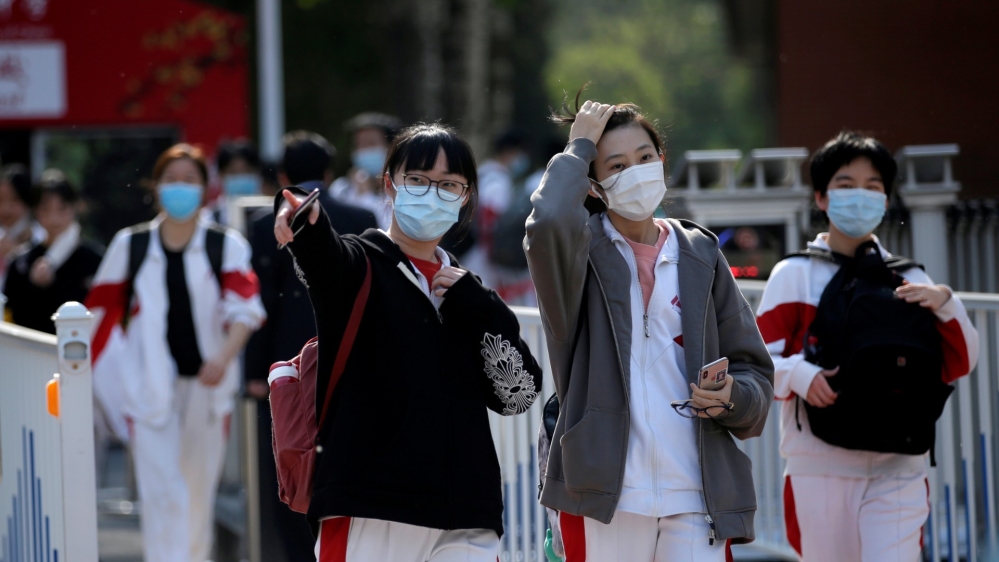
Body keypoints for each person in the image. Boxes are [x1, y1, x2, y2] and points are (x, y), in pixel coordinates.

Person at [272, 122, 542, 562]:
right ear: (390, 186)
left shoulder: (470, 291)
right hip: (369, 508)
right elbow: (323, 256)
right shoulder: (360, 263)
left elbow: (517, 395)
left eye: (449, 184)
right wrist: (304, 224)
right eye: (417, 180)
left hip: (467, 514)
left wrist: (479, 308)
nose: (432, 193)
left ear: (466, 196)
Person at [525, 98, 774, 561]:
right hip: (604, 496)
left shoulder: (700, 252)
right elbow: (547, 224)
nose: (636, 172)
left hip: (697, 494)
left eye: (644, 158)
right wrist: (577, 146)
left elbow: (755, 371)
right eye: (616, 166)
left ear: (662, 160)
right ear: (595, 185)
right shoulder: (578, 255)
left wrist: (732, 397)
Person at [755, 132, 979, 562]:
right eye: (845, 184)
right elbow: (758, 364)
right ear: (821, 198)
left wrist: (948, 306)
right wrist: (802, 376)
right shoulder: (792, 274)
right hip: (819, 466)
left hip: (901, 465)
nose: (860, 195)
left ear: (886, 199)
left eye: (873, 186)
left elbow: (960, 363)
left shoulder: (912, 277)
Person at [85, 143, 266, 562]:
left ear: (205, 189)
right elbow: (96, 318)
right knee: (161, 492)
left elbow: (247, 310)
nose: (180, 188)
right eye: (171, 180)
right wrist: (103, 384)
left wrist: (223, 356)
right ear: (156, 187)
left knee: (197, 496)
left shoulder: (226, 245)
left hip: (207, 389)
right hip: (149, 390)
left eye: (190, 180)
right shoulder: (130, 244)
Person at [243, 130, 377, 562]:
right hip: (349, 355)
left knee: (290, 466)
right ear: (328, 172)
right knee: (349, 457)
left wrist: (253, 372)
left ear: (281, 174)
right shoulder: (357, 215)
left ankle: (302, 554)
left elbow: (260, 303)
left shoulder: (265, 227)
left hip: (286, 364)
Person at [2, 170, 103, 333]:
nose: (54, 218)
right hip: (33, 353)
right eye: (45, 209)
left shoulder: (95, 260)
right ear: (35, 211)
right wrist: (33, 286)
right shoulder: (21, 262)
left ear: (76, 207)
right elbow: (14, 319)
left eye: (62, 208)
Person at [462, 130, 531, 298]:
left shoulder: (484, 173)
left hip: (474, 247)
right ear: (509, 152)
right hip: (483, 251)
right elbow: (490, 216)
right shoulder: (497, 179)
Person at [329, 112, 402, 229]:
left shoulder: (402, 191)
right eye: (358, 145)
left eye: (371, 143)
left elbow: (387, 232)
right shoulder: (341, 189)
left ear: (392, 148)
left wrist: (365, 196)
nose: (363, 150)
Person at [0, 163, 44, 283]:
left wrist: (17, 256)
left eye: (14, 199)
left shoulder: (43, 239)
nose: (5, 208)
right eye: (1, 200)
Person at [206, 139, 264, 226]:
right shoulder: (208, 219)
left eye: (247, 171)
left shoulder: (273, 215)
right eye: (233, 172)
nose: (241, 177)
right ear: (221, 175)